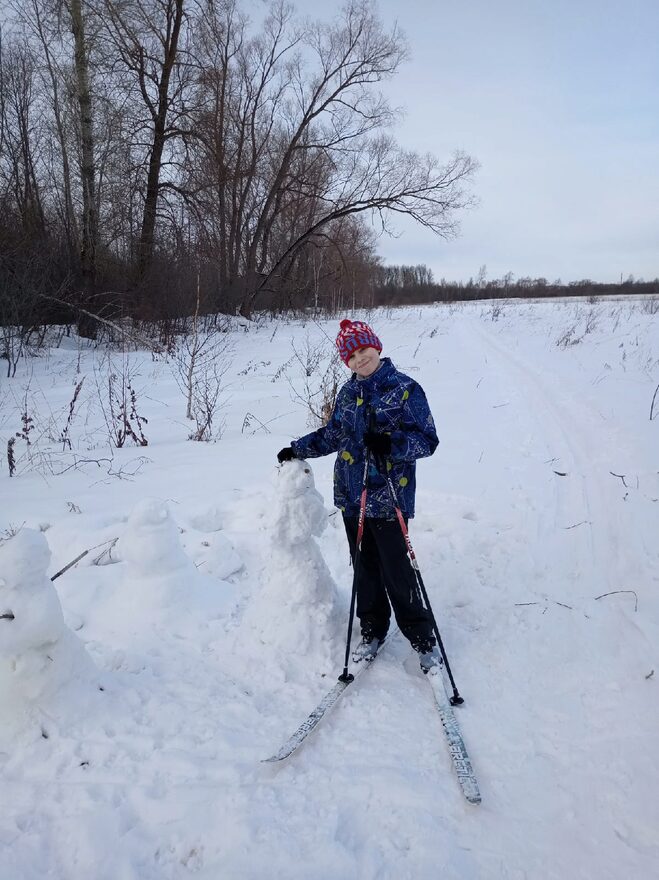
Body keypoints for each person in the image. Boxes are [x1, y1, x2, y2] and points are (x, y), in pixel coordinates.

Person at [277, 318, 441, 673]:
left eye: (364, 352)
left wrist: (392, 444)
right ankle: (372, 628)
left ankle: (421, 637)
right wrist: (296, 448)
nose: (359, 360)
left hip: (390, 497)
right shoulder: (348, 393)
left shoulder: (406, 389)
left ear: (376, 348)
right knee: (364, 568)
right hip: (353, 496)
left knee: (398, 569)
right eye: (351, 357)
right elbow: (334, 434)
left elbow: (428, 441)